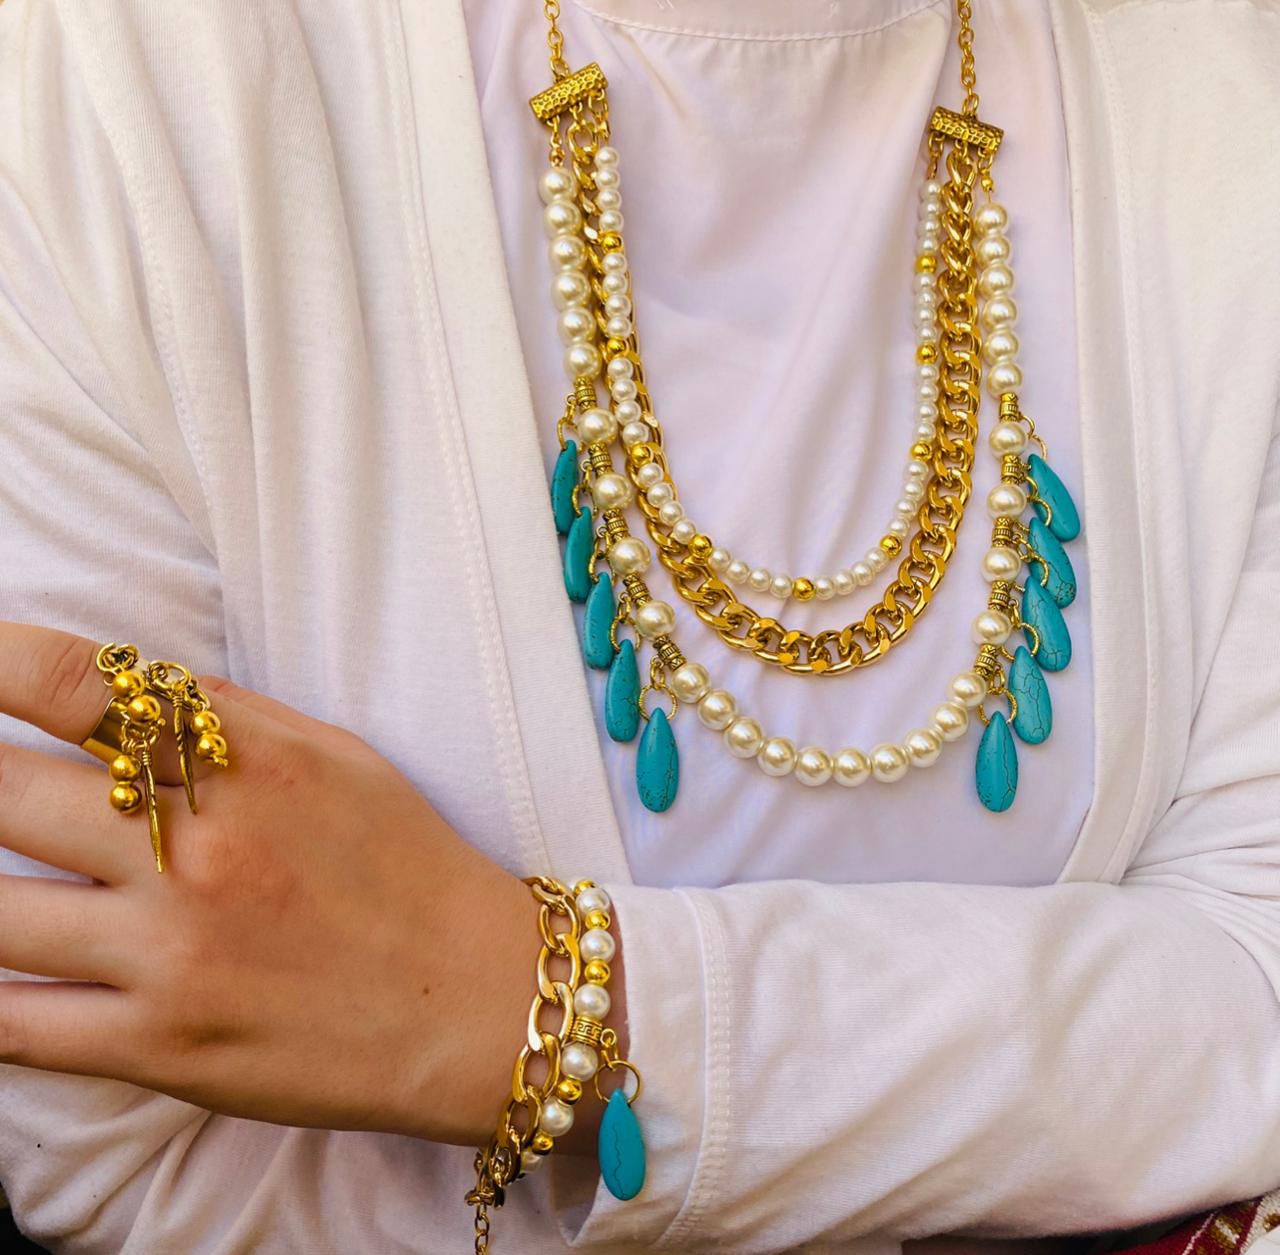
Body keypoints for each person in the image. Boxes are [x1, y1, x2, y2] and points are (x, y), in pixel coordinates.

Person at [0, 0, 1278, 1252]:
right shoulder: (132, 86)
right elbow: (132, 1161)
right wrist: (1070, 1118)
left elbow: (1261, 984)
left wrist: (545, 1009)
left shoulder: (1226, 89)